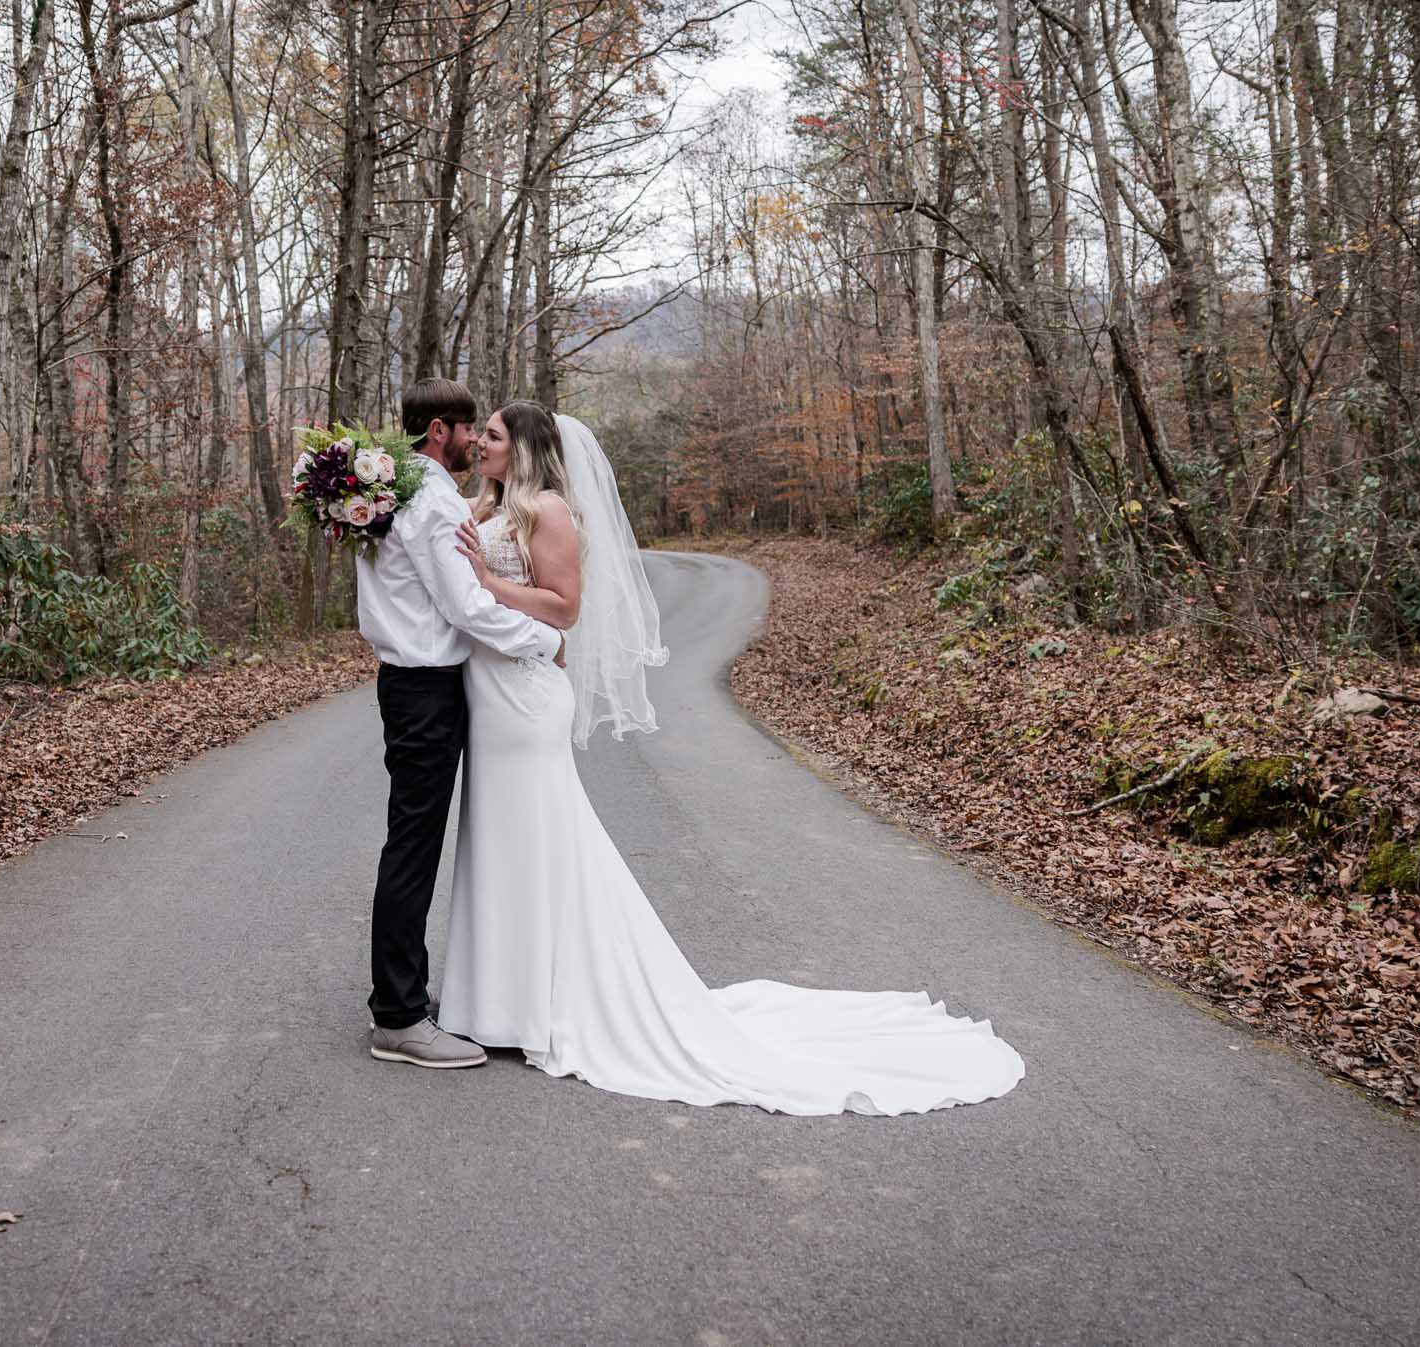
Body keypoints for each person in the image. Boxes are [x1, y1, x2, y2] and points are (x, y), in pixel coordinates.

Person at [436, 401, 1024, 1114]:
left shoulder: (551, 511)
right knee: (496, 843)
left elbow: (564, 609)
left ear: (523, 447)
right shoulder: (487, 503)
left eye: (493, 436)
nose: (482, 444)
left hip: (527, 700)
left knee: (533, 841)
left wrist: (490, 584)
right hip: (491, 698)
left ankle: (533, 1004)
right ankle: (492, 995)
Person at [354, 378, 561, 1069]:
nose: (476, 440)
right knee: (414, 844)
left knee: (410, 838)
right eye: (471, 428)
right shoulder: (433, 504)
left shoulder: (392, 487)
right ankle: (400, 1017)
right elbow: (466, 607)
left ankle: (401, 994)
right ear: (440, 430)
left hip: (403, 680)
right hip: (425, 688)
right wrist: (542, 641)